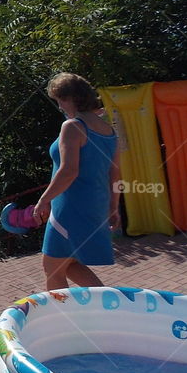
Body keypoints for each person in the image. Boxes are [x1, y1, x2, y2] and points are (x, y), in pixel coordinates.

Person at [34, 72, 121, 291]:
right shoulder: (109, 131)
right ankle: (108, 308)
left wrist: (43, 200)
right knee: (70, 263)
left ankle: (62, 321)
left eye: (60, 101)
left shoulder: (73, 126)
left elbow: (68, 171)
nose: (60, 107)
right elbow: (115, 174)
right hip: (96, 205)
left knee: (52, 267)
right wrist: (113, 206)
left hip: (71, 206)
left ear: (70, 98)